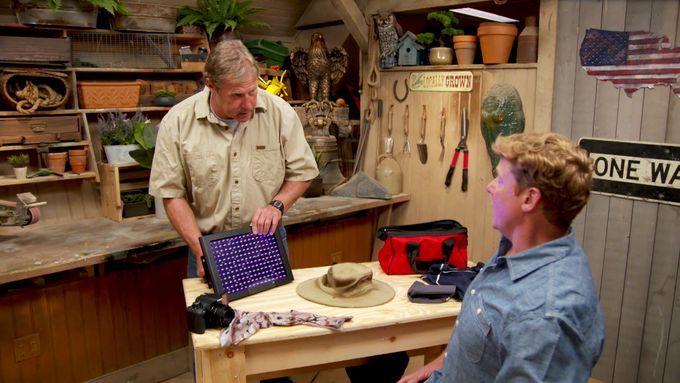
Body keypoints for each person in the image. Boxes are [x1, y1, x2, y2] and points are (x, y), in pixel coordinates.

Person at [399, 132, 605, 383]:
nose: (490, 186)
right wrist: (439, 365)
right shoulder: (519, 248)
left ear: (529, 199)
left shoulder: (545, 317)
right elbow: (486, 344)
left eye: (500, 179)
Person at [149, 39, 319, 278]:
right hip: (209, 244)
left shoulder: (280, 113)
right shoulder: (177, 122)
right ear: (210, 85)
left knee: (272, 315)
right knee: (214, 314)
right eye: (237, 95)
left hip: (266, 242)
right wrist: (201, 252)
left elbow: (302, 173)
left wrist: (276, 206)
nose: (249, 104)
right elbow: (171, 193)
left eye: (252, 91)